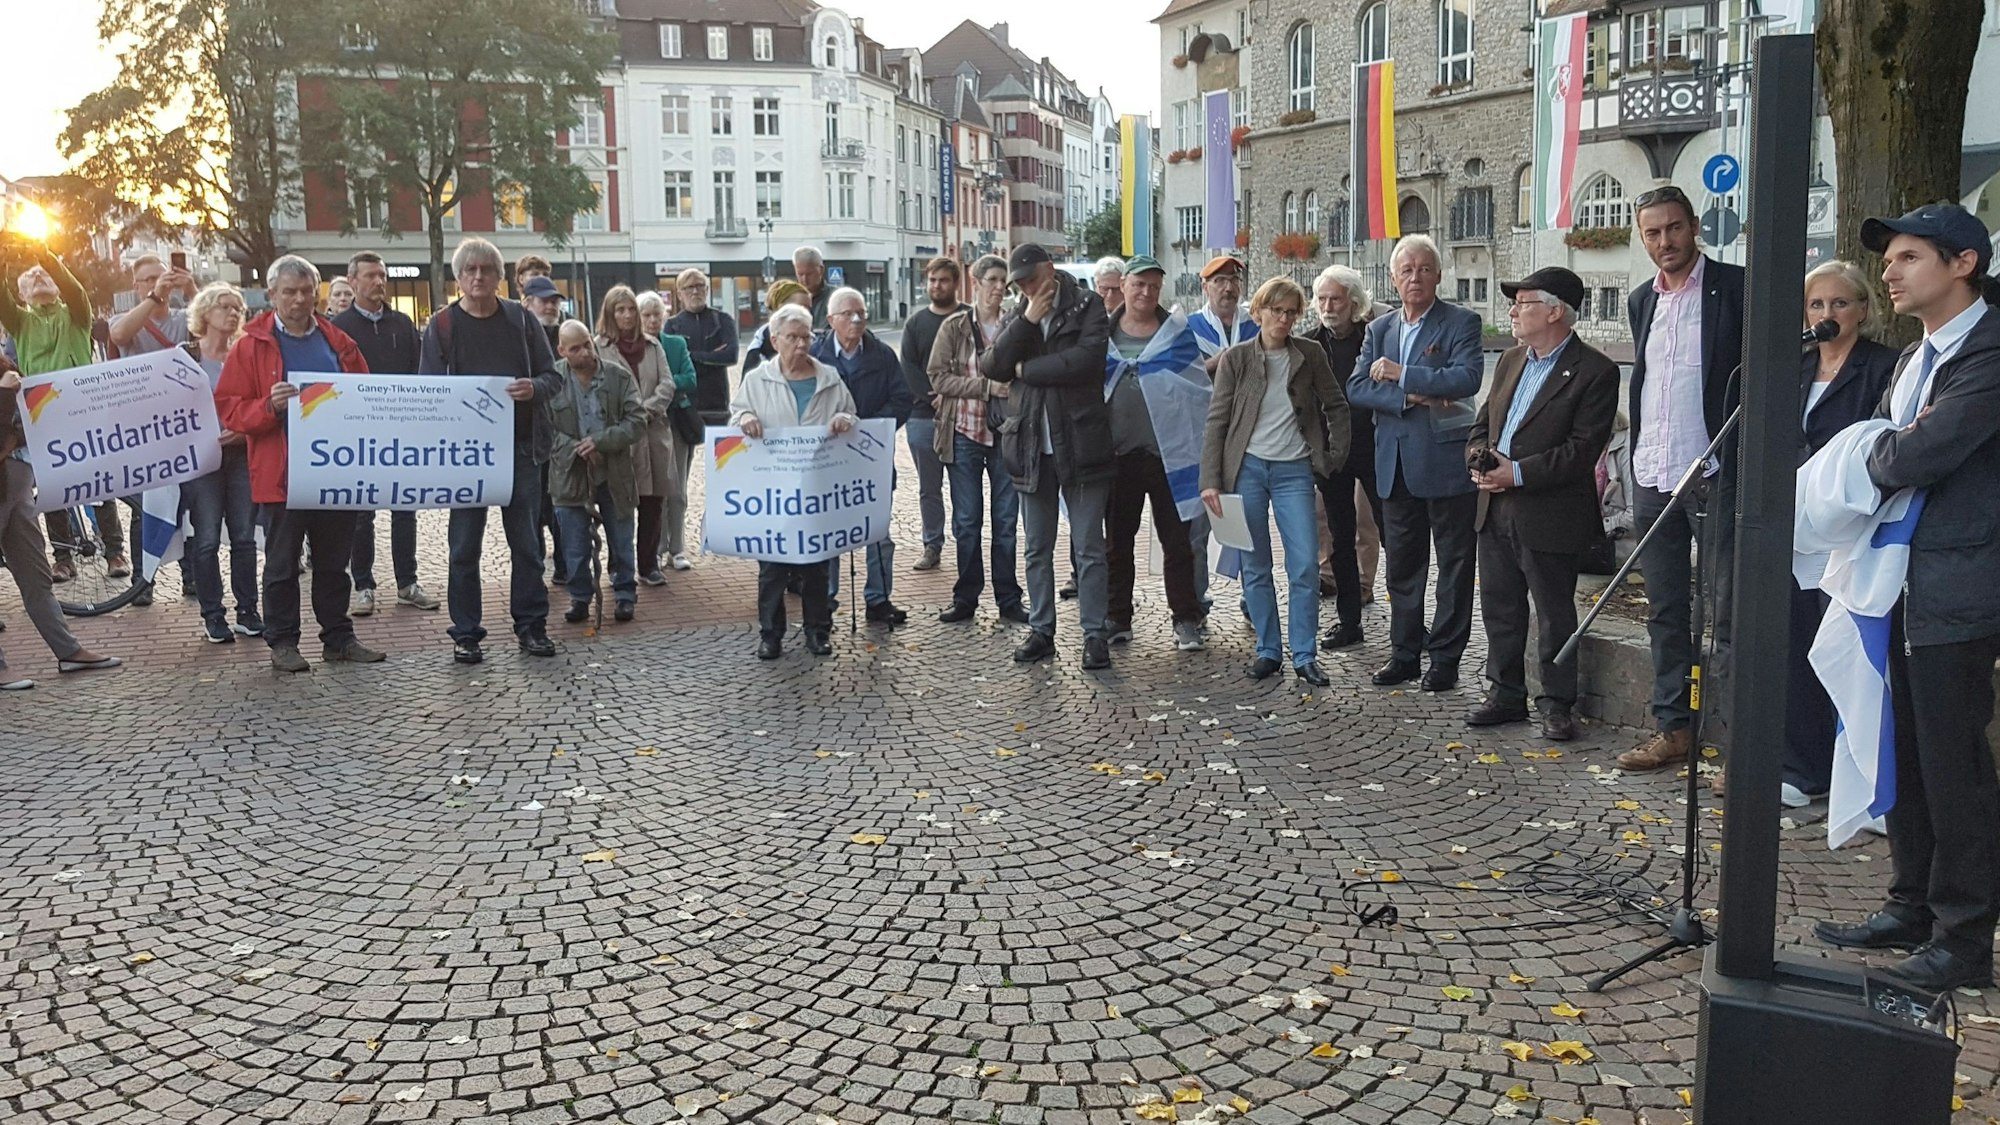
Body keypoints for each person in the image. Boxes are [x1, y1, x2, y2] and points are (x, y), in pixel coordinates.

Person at [1812, 203, 2000, 993]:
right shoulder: (1916, 358)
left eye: (1910, 256)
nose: (1889, 271)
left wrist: (1869, 450)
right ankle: (1911, 900)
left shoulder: (1988, 349)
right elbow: (1894, 443)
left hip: (1959, 583)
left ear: (1963, 264)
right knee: (1909, 752)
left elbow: (1920, 452)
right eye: (1887, 259)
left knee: (1953, 763)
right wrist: (1879, 448)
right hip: (1896, 579)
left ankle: (1964, 935)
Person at [1615, 184, 1747, 773]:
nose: (1663, 242)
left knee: (1732, 609)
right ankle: (1674, 729)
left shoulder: (1737, 288)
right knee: (1666, 609)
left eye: (1672, 228)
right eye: (1651, 232)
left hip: (1716, 471)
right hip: (1654, 472)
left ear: (1694, 226)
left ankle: (1743, 747)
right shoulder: (1643, 299)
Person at [1760, 261, 1901, 802]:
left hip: (1851, 531)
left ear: (1863, 310)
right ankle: (1803, 769)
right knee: (1797, 646)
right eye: (1817, 305)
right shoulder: (1793, 369)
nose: (1827, 314)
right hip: (1796, 529)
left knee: (1843, 648)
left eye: (1839, 304)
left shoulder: (1883, 368)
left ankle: (1857, 776)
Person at [1463, 267, 1619, 741]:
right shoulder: (1511, 360)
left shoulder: (1595, 371)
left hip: (1548, 511)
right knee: (1499, 607)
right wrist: (1478, 460)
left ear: (1555, 311)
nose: (1512, 310)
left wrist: (1518, 473)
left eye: (1524, 302)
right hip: (1494, 506)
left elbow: (1582, 449)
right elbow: (1484, 423)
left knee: (1553, 612)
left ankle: (1556, 703)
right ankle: (1505, 692)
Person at [213, 255, 387, 673]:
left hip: (332, 471)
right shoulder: (250, 345)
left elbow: (363, 393)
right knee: (280, 563)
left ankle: (338, 638)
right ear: (272, 295)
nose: (298, 299)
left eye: (306, 291)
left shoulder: (336, 339)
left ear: (317, 293)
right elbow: (229, 410)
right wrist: (267, 408)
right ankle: (283, 641)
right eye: (289, 292)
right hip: (280, 473)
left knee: (333, 561)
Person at [418, 237, 566, 665]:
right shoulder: (442, 326)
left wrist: (532, 389)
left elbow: (552, 378)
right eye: (470, 270)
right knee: (464, 548)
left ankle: (531, 627)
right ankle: (466, 633)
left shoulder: (522, 321)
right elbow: (429, 390)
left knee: (526, 546)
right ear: (459, 278)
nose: (478, 277)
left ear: (502, 278)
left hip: (520, 451)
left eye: (487, 270)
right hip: (466, 456)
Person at [1347, 233, 1485, 692]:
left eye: (1424, 269)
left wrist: (1402, 373)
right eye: (1406, 270)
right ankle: (1404, 654)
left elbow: (1466, 378)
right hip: (1394, 466)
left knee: (1453, 566)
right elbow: (1357, 388)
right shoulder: (1378, 330)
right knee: (1402, 568)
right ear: (1392, 277)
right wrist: (1412, 395)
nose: (1415, 278)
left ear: (1438, 276)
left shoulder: (1461, 321)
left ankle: (1444, 660)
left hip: (1446, 466)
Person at [1200, 277, 1350, 684]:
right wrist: (1210, 479)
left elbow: (1336, 405)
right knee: (1255, 564)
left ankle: (1304, 653)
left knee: (1303, 563)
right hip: (1246, 468)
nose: (1283, 319)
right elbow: (1217, 420)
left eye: (1290, 312)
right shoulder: (1236, 359)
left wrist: (1333, 456)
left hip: (1295, 470)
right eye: (1275, 310)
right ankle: (1268, 648)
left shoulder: (1310, 354)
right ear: (1259, 312)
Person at [982, 242, 1115, 669]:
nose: (1026, 289)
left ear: (1051, 271)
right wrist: (1028, 320)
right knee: (1036, 547)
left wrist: (1026, 371)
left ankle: (1095, 635)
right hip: (1029, 445)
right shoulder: (1019, 314)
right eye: (1018, 284)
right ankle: (1042, 630)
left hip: (1081, 442)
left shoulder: (1088, 305)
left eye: (1031, 280)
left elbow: (1085, 362)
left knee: (1089, 547)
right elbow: (992, 365)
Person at [732, 303, 858, 659]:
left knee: (816, 567)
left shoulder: (830, 379)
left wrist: (845, 419)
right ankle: (771, 635)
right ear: (775, 340)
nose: (802, 345)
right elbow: (735, 418)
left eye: (807, 337)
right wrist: (744, 419)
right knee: (772, 568)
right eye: (793, 337)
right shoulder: (757, 381)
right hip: (774, 493)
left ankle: (818, 632)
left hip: (816, 490)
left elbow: (850, 411)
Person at [0, 237, 125, 583]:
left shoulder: (76, 315)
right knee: (54, 487)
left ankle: (115, 552)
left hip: (82, 408)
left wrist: (46, 256)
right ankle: (63, 557)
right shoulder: (21, 322)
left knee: (98, 482)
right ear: (22, 295)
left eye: (46, 276)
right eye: (32, 277)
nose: (40, 277)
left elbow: (74, 289)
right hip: (42, 414)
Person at [1103, 255, 1209, 653]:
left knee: (1178, 543)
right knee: (1116, 542)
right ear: (1124, 286)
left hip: (1170, 456)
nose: (1145, 292)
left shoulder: (1176, 333)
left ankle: (1186, 617)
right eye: (1138, 285)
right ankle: (1118, 616)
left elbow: (1197, 388)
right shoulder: (1103, 335)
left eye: (1153, 286)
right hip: (1118, 455)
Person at [0, 353, 122, 690]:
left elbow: (29, 426)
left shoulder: (6, 366)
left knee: (35, 575)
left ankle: (68, 650)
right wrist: (6, 395)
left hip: (18, 487)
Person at [331, 250, 437, 615]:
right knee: (362, 514)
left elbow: (419, 371)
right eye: (371, 275)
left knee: (405, 509)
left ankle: (407, 582)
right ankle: (363, 585)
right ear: (353, 281)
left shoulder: (402, 323)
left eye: (382, 275)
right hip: (358, 434)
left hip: (400, 430)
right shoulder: (339, 327)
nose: (379, 282)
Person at [929, 254, 1027, 625]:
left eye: (1005, 281)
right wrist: (987, 387)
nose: (1000, 287)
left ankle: (1008, 598)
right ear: (977, 283)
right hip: (965, 434)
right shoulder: (954, 327)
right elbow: (937, 378)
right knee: (967, 521)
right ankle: (966, 597)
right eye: (994, 280)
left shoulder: (1016, 325)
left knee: (1005, 522)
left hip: (1005, 435)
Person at [812, 286, 914, 623]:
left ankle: (878, 600)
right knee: (827, 533)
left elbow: (902, 400)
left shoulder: (882, 354)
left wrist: (867, 427)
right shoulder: (814, 356)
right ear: (831, 320)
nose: (856, 320)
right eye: (848, 314)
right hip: (828, 460)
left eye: (861, 314)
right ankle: (825, 600)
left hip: (871, 458)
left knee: (878, 532)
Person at [1298, 265, 1381, 649]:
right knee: (1339, 539)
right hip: (1332, 456)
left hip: (1376, 448)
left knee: (1394, 536)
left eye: (1336, 299)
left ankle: (1410, 621)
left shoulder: (1374, 338)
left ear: (1354, 303)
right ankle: (1349, 622)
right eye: (1322, 299)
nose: (1328, 306)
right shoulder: (1309, 345)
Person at [179, 282, 264, 643]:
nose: (232, 313)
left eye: (237, 308)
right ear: (205, 314)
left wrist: (243, 432)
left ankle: (248, 611)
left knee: (244, 537)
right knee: (207, 537)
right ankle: (213, 614)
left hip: (240, 455)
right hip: (201, 461)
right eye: (224, 307)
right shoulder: (185, 356)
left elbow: (258, 404)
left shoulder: (245, 353)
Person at [548, 321, 646, 624]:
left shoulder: (618, 376)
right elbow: (542, 427)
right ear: (562, 350)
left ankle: (625, 594)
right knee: (574, 544)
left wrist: (602, 442)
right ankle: (580, 597)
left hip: (614, 472)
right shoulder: (552, 379)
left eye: (587, 344)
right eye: (575, 348)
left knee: (621, 539)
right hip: (569, 474)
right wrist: (575, 448)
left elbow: (637, 420)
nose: (584, 352)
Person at [1187, 255, 1260, 611]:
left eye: (1233, 280)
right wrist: (1221, 362)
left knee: (1247, 519)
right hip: (1202, 439)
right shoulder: (1187, 328)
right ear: (1206, 287)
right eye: (1219, 281)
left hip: (1247, 437)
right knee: (1198, 523)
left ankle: (1253, 595)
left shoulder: (1256, 326)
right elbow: (1181, 378)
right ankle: (1196, 596)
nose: (1228, 288)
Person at [594, 286, 677, 587]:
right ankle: (619, 564)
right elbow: (597, 390)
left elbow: (667, 384)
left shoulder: (653, 346)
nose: (627, 315)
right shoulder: (599, 348)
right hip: (621, 439)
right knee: (619, 505)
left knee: (653, 503)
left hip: (653, 435)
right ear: (610, 313)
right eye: (620, 309)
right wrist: (628, 417)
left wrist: (645, 410)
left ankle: (648, 564)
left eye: (631, 309)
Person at [901, 257, 965, 573]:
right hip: (922, 416)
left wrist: (951, 392)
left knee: (963, 485)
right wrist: (933, 393)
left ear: (955, 283)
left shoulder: (969, 317)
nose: (937, 286)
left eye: (943, 280)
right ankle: (932, 544)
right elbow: (909, 367)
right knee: (929, 486)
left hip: (964, 415)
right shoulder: (915, 324)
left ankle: (967, 543)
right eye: (932, 280)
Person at [638, 288, 700, 570]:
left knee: (677, 490)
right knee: (652, 491)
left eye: (657, 314)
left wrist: (662, 382)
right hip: (644, 427)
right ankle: (658, 548)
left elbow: (689, 378)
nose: (653, 320)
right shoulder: (632, 348)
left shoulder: (675, 344)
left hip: (674, 423)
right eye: (647, 315)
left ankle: (677, 548)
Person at [518, 273, 568, 579]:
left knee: (563, 508)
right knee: (531, 512)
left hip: (562, 439)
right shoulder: (517, 336)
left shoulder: (569, 334)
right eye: (544, 301)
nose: (550, 306)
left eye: (554, 301)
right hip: (530, 440)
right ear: (527, 303)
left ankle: (565, 568)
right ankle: (534, 571)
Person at [667, 266, 740, 429]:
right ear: (680, 294)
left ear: (707, 290)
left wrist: (688, 356)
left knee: (720, 454)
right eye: (689, 287)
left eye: (700, 286)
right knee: (683, 455)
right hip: (684, 404)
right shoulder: (672, 326)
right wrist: (711, 356)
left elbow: (731, 356)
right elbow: (671, 364)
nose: (695, 291)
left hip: (716, 404)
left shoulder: (723, 320)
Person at [108, 253, 193, 357]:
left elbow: (215, 321)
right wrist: (155, 296)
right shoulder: (121, 320)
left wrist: (192, 291)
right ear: (136, 287)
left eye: (164, 277)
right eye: (151, 280)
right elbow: (118, 335)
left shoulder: (185, 318)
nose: (160, 283)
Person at [742, 280, 811, 374]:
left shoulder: (815, 342)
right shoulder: (759, 351)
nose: (807, 313)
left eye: (809, 309)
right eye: (801, 307)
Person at [793, 246, 832, 326]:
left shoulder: (835, 298)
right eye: (800, 274)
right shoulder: (790, 299)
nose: (804, 279)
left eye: (809, 274)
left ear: (821, 270)